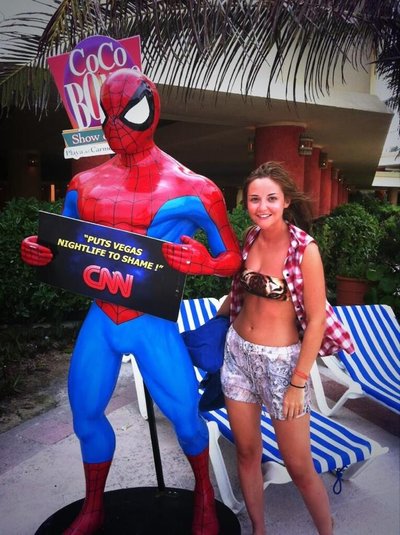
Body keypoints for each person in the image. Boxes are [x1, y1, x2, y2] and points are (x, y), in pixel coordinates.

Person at [21, 67, 241, 535]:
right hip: (102, 316)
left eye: (129, 113)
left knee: (186, 418)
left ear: (151, 110)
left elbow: (232, 259)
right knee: (85, 415)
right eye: (109, 114)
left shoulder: (195, 188)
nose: (117, 125)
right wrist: (38, 251)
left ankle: (204, 493)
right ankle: (93, 506)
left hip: (151, 321)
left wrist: (204, 263)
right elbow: (60, 245)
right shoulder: (85, 184)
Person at [217, 162, 354, 535]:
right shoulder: (250, 237)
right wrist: (216, 319)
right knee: (247, 452)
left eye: (271, 199)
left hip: (282, 366)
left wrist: (298, 382)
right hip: (238, 355)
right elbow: (241, 291)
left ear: (286, 201)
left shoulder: (304, 250)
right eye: (254, 199)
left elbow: (317, 321)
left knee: (298, 465)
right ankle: (259, 529)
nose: (262, 207)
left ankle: (326, 530)